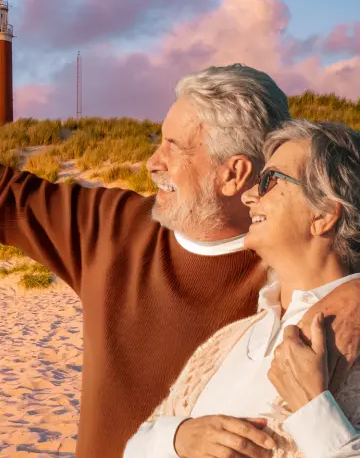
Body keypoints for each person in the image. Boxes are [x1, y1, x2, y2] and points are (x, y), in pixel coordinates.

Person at [0, 64, 360, 458]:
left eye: (172, 147)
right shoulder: (113, 229)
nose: (150, 162)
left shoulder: (294, 276)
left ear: (234, 172)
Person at [124, 120, 360, 458]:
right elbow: (134, 447)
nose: (249, 195)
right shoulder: (229, 339)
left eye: (269, 181)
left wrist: (315, 413)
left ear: (323, 214)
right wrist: (177, 438)